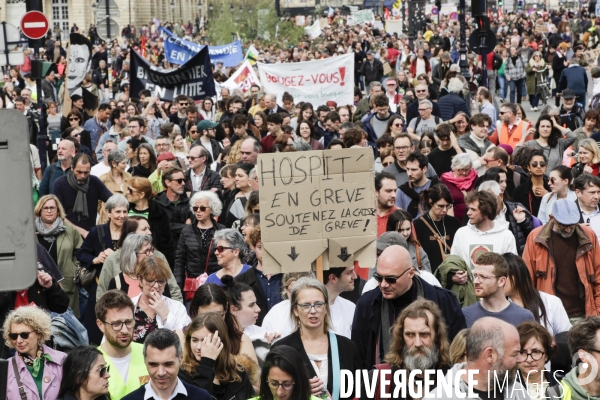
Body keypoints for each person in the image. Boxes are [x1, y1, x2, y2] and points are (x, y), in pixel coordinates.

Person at [352, 244, 466, 367]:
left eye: (391, 279)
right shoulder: (367, 304)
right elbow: (359, 357)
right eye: (379, 277)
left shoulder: (444, 301)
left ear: (411, 273)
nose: (383, 284)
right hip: (385, 383)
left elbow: (459, 353)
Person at [272, 278, 361, 400]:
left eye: (318, 304)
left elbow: (359, 392)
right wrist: (298, 390)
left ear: (326, 308)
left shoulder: (348, 348)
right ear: (295, 310)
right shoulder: (280, 350)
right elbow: (272, 393)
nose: (313, 311)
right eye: (306, 305)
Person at [524, 198, 600, 323]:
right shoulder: (535, 238)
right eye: (564, 225)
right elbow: (527, 280)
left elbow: (598, 275)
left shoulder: (588, 235)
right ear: (551, 217)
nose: (569, 229)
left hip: (583, 315)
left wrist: (597, 312)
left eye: (572, 225)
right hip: (549, 315)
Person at [361, 299, 451, 399]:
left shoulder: (453, 380)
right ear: (401, 338)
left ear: (437, 337)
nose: (417, 343)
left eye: (424, 334)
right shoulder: (378, 379)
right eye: (410, 334)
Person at [432, 317, 527, 399]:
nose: (520, 359)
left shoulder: (517, 392)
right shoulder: (440, 397)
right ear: (490, 355)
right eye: (514, 354)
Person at [96, 218, 182, 302]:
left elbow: (173, 290)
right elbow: (102, 296)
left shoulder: (158, 256)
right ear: (131, 234)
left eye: (149, 228)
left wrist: (176, 313)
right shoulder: (113, 260)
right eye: (144, 229)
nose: (149, 232)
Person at [179, 313, 255, 400]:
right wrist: (206, 363)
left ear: (221, 341)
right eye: (195, 340)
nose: (199, 347)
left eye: (206, 340)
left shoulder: (238, 372)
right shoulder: (182, 375)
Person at [121, 329, 212, 400]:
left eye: (168, 364)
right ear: (145, 360)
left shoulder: (202, 397)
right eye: (153, 364)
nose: (161, 372)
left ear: (180, 358)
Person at [34, 194, 82, 317]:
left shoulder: (69, 229)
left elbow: (80, 252)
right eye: (45, 208)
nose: (49, 211)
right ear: (39, 210)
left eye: (52, 208)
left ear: (58, 210)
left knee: (67, 322)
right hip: (39, 284)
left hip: (66, 281)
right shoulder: (31, 230)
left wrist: (75, 270)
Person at [95, 290, 149, 399]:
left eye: (129, 322)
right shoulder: (90, 363)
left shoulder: (149, 353)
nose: (124, 330)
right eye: (116, 324)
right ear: (100, 325)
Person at [4, 306, 67, 400]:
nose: (19, 340)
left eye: (24, 335)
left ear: (39, 333)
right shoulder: (6, 368)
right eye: (14, 336)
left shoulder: (62, 360)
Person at [503, 253, 571, 336]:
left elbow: (564, 337)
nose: (499, 282)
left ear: (517, 275)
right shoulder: (497, 307)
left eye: (502, 277)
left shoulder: (551, 302)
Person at [462, 252, 535, 327]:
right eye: (475, 276)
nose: (476, 281)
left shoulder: (524, 317)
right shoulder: (465, 315)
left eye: (483, 277)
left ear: (501, 281)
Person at [450, 191, 518, 269]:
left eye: (473, 209)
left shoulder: (506, 236)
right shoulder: (461, 233)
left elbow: (512, 269)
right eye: (469, 209)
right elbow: (453, 264)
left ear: (486, 212)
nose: (468, 213)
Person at [174, 191, 225, 295]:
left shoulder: (221, 230)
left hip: (216, 282)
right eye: (195, 208)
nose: (198, 211)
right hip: (192, 285)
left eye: (202, 208)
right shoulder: (187, 231)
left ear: (211, 209)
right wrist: (178, 285)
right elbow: (180, 261)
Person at [131, 257, 190, 344]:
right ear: (140, 280)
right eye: (150, 281)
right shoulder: (129, 305)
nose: (156, 286)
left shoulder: (177, 307)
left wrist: (166, 316)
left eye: (161, 281)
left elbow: (184, 342)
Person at [54, 154, 113, 236]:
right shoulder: (60, 184)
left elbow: (112, 200)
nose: (82, 176)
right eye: (79, 172)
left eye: (86, 172)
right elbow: (57, 214)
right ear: (72, 168)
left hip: (90, 233)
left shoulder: (94, 182)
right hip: (66, 233)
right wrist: (82, 232)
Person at [235, 229, 283, 326]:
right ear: (254, 248)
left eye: (270, 247)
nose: (265, 252)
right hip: (254, 335)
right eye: (260, 247)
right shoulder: (241, 280)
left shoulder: (289, 278)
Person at [127, 177, 175, 267]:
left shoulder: (159, 213)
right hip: (127, 259)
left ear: (141, 195)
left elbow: (167, 244)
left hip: (151, 261)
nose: (127, 193)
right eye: (127, 189)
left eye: (131, 190)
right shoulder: (124, 210)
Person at [413, 184, 462, 273]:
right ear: (431, 202)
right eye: (440, 206)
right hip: (429, 274)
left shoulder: (454, 223)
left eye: (447, 206)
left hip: (452, 274)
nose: (444, 210)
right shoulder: (417, 225)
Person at [154, 167, 193, 246]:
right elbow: (160, 227)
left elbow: (195, 226)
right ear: (168, 182)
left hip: (186, 246)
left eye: (184, 180)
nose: (183, 183)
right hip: (164, 247)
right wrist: (186, 226)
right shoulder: (156, 203)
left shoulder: (190, 202)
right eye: (179, 181)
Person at [439, 153, 478, 222]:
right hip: (452, 219)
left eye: (466, 170)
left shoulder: (475, 177)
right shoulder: (445, 179)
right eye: (460, 169)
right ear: (454, 167)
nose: (463, 173)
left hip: (473, 218)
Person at [513, 149, 551, 217]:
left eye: (542, 164)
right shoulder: (519, 191)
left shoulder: (553, 189)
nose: (539, 166)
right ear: (528, 167)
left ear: (546, 167)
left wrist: (548, 196)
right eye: (534, 164)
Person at [98, 149, 132, 223]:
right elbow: (98, 203)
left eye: (126, 163)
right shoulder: (103, 179)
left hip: (125, 220)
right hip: (106, 221)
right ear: (114, 164)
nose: (126, 165)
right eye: (123, 163)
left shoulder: (129, 177)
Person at [375, 171, 398, 239]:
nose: (394, 195)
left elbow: (413, 247)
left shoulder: (401, 216)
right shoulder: (364, 216)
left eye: (395, 191)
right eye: (388, 191)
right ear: (376, 192)